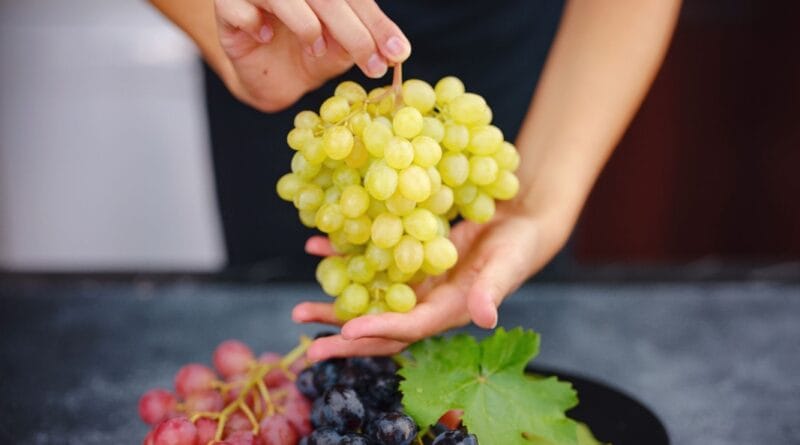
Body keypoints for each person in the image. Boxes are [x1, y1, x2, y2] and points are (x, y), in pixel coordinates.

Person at [149, 0, 682, 361]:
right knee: (282, 350)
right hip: (276, 47)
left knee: (514, 340)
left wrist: (541, 203)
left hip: (525, 69)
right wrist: (220, 30)